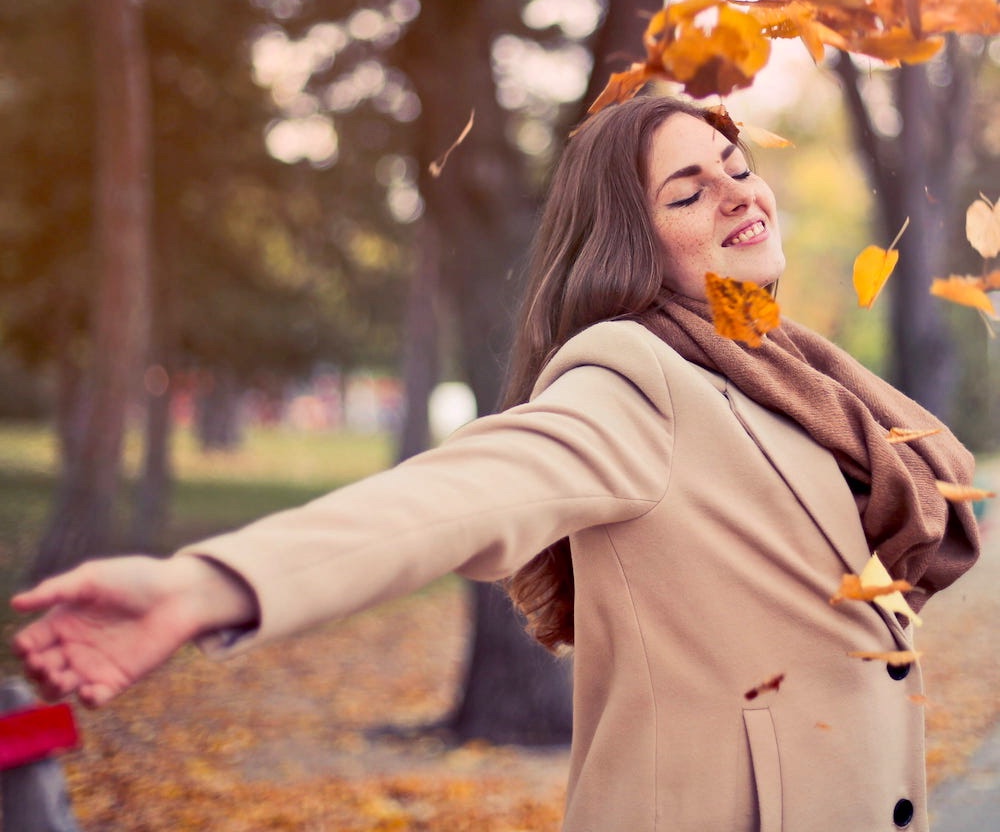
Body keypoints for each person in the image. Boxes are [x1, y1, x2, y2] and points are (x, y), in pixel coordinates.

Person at [11, 95, 980, 832]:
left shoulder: (793, 375)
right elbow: (459, 494)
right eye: (688, 189)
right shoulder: (637, 372)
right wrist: (207, 583)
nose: (734, 190)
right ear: (633, 246)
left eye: (734, 165)